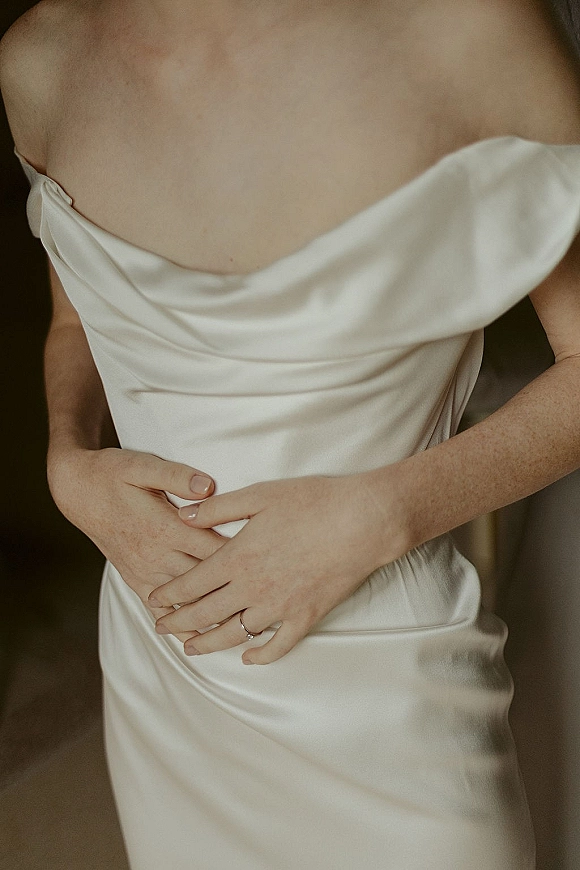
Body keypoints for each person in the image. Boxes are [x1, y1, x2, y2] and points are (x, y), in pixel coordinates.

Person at [2, 0, 580, 866]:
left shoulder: (468, 30)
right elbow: (76, 322)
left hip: (390, 683)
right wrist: (66, 458)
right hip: (169, 658)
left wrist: (384, 513)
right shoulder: (42, 56)